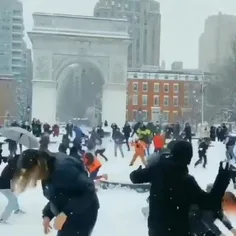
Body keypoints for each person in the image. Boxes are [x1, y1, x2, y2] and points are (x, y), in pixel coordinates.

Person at [130, 140, 230, 236]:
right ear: (188, 159)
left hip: (156, 230)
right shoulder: (186, 181)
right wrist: (223, 177)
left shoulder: (157, 169)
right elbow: (210, 203)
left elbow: (134, 177)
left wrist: (141, 171)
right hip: (178, 231)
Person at [14, 149, 99, 236]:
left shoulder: (64, 170)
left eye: (30, 173)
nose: (31, 177)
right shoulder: (48, 171)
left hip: (84, 213)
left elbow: (88, 191)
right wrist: (47, 215)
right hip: (70, 213)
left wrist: (64, 214)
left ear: (38, 165)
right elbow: (58, 196)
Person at [0, 155, 24, 223]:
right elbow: (13, 178)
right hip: (3, 186)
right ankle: (2, 219)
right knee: (12, 200)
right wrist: (12, 187)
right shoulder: (14, 166)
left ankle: (16, 209)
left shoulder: (12, 164)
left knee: (13, 198)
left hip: (5, 184)